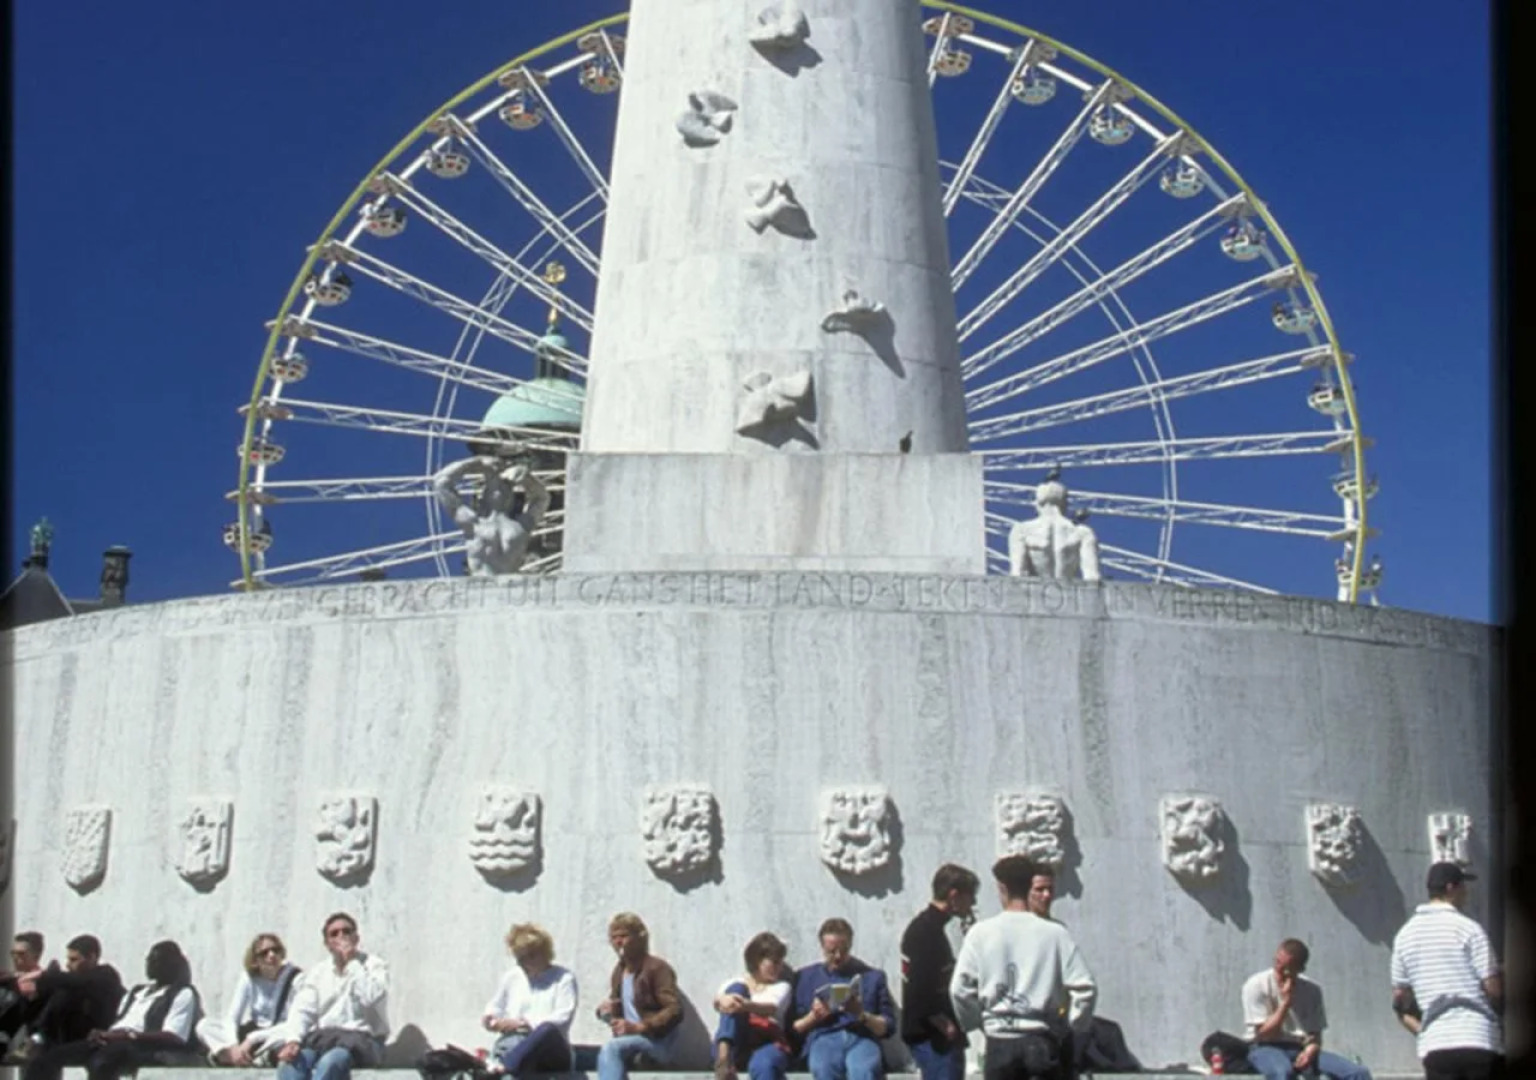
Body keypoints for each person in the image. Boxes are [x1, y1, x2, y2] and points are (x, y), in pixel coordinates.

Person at [950, 855, 1096, 1080]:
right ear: (1030, 886)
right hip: (1041, 1037)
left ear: (1002, 887)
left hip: (999, 1040)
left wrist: (978, 1022)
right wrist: (1071, 1026)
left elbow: (959, 989)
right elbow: (1086, 988)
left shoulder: (980, 933)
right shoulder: (1055, 934)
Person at [23, 940, 202, 1080]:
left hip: (140, 1045)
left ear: (171, 964)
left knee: (101, 1063)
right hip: (111, 1039)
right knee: (44, 1061)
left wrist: (128, 1036)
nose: (150, 964)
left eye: (157, 960)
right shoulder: (138, 991)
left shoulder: (182, 993)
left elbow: (174, 1036)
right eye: (149, 959)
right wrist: (105, 1034)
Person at [1390, 862, 1504, 1079]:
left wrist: (1422, 1030)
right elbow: (1494, 989)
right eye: (1463, 886)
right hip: (1477, 1038)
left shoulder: (1404, 936)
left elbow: (1400, 998)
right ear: (1451, 888)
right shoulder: (1468, 929)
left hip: (1436, 1045)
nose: (1466, 892)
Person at [272, 913, 389, 1080]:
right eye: (334, 933)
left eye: (346, 931)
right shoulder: (318, 972)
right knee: (292, 1062)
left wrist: (352, 963)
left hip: (364, 1042)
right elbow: (303, 1009)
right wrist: (293, 1040)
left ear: (356, 938)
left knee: (332, 1061)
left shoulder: (374, 965)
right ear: (327, 943)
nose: (341, 936)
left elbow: (371, 997)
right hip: (325, 1041)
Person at [1241, 938, 1371, 1080]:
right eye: (1278, 963)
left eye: (1287, 969)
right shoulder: (1256, 985)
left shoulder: (1312, 990)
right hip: (1264, 1047)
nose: (1281, 972)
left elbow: (1315, 1034)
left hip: (1299, 1047)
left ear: (1300, 969)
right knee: (1283, 1073)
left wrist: (1310, 1050)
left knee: (1358, 1073)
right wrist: (1286, 1003)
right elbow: (1264, 1035)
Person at [789, 918, 896, 1080]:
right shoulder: (805, 977)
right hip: (824, 1035)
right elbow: (793, 1030)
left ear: (851, 945)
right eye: (831, 951)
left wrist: (862, 1015)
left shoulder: (873, 977)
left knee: (863, 1071)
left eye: (843, 950)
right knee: (824, 1068)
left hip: (861, 1037)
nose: (838, 956)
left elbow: (887, 1028)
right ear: (822, 947)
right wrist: (813, 1017)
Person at [901, 865, 979, 1080]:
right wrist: (943, 1023)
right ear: (954, 895)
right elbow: (918, 986)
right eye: (970, 897)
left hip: (937, 1034)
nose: (972, 904)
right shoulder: (924, 932)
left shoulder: (930, 928)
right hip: (933, 1036)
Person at [482, 923, 578, 1077]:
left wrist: (523, 1024)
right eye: (519, 958)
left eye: (529, 956)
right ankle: (507, 1065)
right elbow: (495, 1006)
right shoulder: (512, 977)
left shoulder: (563, 978)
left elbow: (562, 1018)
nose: (523, 963)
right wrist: (491, 1019)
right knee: (516, 1053)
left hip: (552, 1051)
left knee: (547, 1029)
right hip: (515, 1043)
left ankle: (503, 1066)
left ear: (544, 953)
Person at [595, 913, 682, 1080]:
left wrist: (640, 1027)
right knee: (583, 1054)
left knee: (611, 1048)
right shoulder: (619, 971)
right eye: (613, 938)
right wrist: (605, 1011)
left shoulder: (656, 968)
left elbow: (675, 1009)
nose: (618, 942)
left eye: (624, 936)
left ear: (640, 937)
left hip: (657, 1042)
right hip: (630, 1041)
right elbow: (619, 1009)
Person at [7, 935, 125, 1054]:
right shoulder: (75, 979)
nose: (68, 965)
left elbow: (78, 981)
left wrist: (42, 975)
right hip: (68, 1033)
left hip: (97, 1034)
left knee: (64, 992)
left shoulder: (106, 975)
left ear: (92, 957)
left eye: (74, 960)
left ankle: (37, 1038)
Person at [433, 457, 550, 575]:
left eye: (506, 487)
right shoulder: (473, 523)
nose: (500, 489)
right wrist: (478, 462)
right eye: (494, 487)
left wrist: (526, 478)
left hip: (512, 587)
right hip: (480, 586)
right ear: (483, 496)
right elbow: (440, 483)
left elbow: (542, 498)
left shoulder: (521, 526)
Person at [198, 933, 302, 1065]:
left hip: (276, 1033)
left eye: (276, 950)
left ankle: (233, 1058)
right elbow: (232, 1018)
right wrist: (234, 1045)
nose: (271, 955)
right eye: (264, 953)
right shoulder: (248, 978)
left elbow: (294, 1023)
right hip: (252, 1031)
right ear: (255, 960)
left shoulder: (296, 978)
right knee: (204, 1026)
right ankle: (237, 1057)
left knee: (284, 1040)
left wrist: (252, 1039)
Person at [712, 931, 793, 1080]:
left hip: (765, 1041)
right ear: (757, 961)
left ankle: (725, 1058)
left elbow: (771, 1008)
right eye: (773, 962)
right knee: (737, 988)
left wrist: (746, 1006)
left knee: (765, 1065)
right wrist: (720, 1001)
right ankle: (723, 1058)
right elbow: (718, 1003)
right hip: (737, 1041)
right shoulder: (734, 983)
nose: (778, 967)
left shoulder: (781, 986)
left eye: (780, 962)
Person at [2, 933, 47, 1048]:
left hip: (24, 1034)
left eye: (21, 954)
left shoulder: (42, 981)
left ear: (36, 956)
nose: (15, 958)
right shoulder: (9, 978)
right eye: (13, 953)